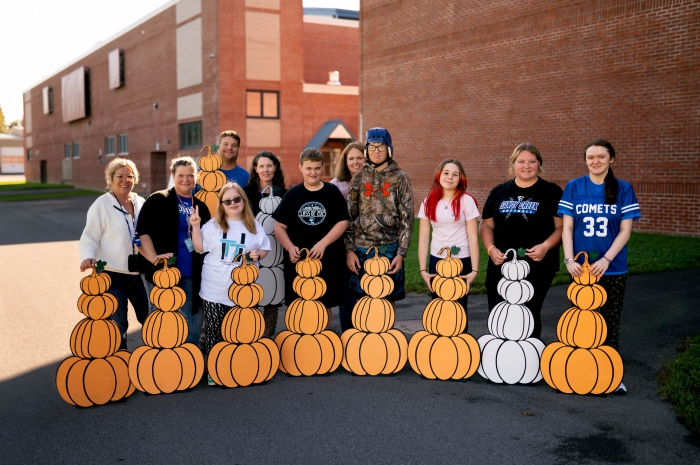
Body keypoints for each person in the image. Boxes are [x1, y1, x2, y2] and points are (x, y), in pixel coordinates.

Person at [559, 138, 641, 394]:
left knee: (609, 322)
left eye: (601, 157)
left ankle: (610, 375)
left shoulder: (623, 188)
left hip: (612, 267)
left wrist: (606, 259)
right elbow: (568, 227)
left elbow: (626, 230)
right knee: (582, 322)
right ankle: (580, 373)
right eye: (591, 157)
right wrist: (569, 259)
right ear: (585, 160)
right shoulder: (574, 186)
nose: (595, 161)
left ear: (611, 159)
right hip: (581, 270)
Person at [480, 143, 563, 339]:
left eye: (532, 161)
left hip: (538, 264)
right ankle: (500, 362)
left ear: (539, 164)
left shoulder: (551, 191)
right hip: (501, 263)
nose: (527, 166)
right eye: (521, 161)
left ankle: (529, 363)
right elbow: (486, 225)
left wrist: (545, 246)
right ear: (513, 164)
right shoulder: (499, 191)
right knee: (498, 313)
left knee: (528, 315)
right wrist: (491, 249)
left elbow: (562, 228)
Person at [190, 182, 270, 381]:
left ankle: (238, 368)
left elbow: (265, 248)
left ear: (243, 200)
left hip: (244, 291)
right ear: (222, 204)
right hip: (215, 289)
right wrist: (195, 226)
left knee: (241, 331)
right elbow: (198, 248)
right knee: (214, 332)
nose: (233, 203)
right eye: (228, 201)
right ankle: (215, 372)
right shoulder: (213, 226)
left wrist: (258, 255)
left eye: (237, 199)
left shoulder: (254, 226)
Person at [137, 156, 211, 346]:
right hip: (164, 271)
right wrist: (154, 258)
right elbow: (141, 233)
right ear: (173, 175)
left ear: (196, 177)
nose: (186, 179)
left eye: (190, 175)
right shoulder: (158, 200)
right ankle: (160, 363)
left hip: (194, 272)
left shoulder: (201, 206)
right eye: (180, 175)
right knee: (164, 317)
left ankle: (189, 361)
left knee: (194, 317)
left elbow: (209, 239)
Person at [78, 158, 149, 350]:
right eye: (120, 176)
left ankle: (156, 362)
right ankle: (119, 366)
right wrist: (88, 256)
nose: (125, 180)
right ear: (111, 179)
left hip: (139, 274)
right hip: (112, 274)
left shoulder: (141, 202)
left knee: (151, 318)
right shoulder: (102, 205)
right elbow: (90, 237)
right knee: (118, 325)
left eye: (130, 176)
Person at [273, 148, 349, 312]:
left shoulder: (331, 191)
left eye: (317, 168)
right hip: (300, 261)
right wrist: (289, 247)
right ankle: (301, 336)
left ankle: (323, 337)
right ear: (301, 167)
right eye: (308, 168)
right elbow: (279, 227)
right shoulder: (293, 194)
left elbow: (343, 221)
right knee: (300, 304)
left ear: (323, 167)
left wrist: (323, 243)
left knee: (324, 304)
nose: (313, 172)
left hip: (327, 258)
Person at [345, 127, 414, 306]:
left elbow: (407, 218)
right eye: (372, 147)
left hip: (389, 248)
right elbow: (349, 217)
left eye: (381, 147)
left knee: (387, 300)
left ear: (389, 150)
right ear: (367, 150)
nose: (376, 151)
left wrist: (401, 253)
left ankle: (386, 334)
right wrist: (350, 250)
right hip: (361, 249)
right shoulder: (359, 178)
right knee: (363, 302)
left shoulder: (401, 179)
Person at [418, 159, 480, 330]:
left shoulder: (466, 201)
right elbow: (423, 238)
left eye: (455, 174)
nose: (450, 177)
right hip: (436, 261)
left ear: (461, 178)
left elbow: (474, 238)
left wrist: (474, 271)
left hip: (461, 261)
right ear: (439, 174)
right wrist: (423, 270)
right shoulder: (428, 201)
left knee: (458, 310)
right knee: (439, 309)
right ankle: (441, 353)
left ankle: (462, 351)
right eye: (446, 173)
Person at [243, 151, 287, 337]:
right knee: (251, 294)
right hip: (251, 249)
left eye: (269, 165)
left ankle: (267, 337)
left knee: (272, 292)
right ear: (255, 169)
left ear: (275, 167)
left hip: (276, 249)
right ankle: (250, 337)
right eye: (261, 166)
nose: (266, 169)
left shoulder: (285, 194)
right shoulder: (245, 194)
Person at [330, 141, 365, 332]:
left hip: (370, 245)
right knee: (348, 296)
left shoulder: (373, 183)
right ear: (345, 161)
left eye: (360, 157)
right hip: (345, 248)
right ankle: (349, 338)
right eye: (351, 158)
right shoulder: (336, 186)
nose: (356, 161)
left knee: (369, 295)